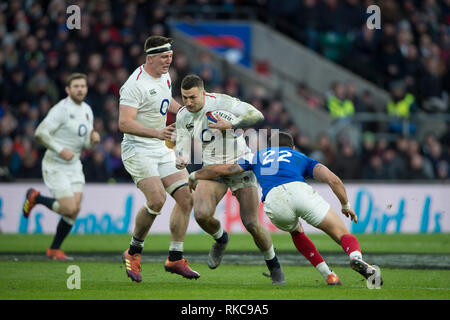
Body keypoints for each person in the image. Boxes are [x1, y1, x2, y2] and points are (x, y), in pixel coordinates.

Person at [188, 131, 383, 286]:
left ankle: (329, 275)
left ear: (271, 147)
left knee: (296, 231)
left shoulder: (257, 156)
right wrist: (345, 205)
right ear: (291, 147)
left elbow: (225, 169)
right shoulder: (299, 156)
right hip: (299, 191)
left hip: (274, 201)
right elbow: (333, 179)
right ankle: (355, 257)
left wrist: (196, 174)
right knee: (341, 234)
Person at [175, 74, 286, 284]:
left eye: (192, 97)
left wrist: (233, 123)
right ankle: (220, 238)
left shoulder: (223, 102)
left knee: (251, 222)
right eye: (184, 97)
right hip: (212, 168)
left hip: (239, 164)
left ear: (203, 92)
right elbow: (181, 141)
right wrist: (181, 157)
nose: (188, 102)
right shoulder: (182, 115)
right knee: (200, 214)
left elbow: (256, 115)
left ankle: (274, 265)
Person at [118, 36, 199, 282]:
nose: (169, 61)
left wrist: (186, 111)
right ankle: (133, 252)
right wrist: (157, 132)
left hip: (159, 147)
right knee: (156, 199)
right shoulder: (134, 84)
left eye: (171, 56)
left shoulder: (165, 76)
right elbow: (123, 123)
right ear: (150, 57)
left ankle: (175, 257)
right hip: (138, 149)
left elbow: (166, 103)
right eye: (164, 57)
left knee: (186, 197)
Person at [22, 73, 101, 261]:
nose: (80, 89)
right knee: (68, 208)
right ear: (68, 90)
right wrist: (60, 149)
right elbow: (40, 132)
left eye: (83, 86)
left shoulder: (87, 110)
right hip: (55, 164)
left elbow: (86, 144)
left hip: (74, 164)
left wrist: (93, 141)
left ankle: (54, 250)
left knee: (74, 210)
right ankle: (36, 198)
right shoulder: (61, 109)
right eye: (76, 86)